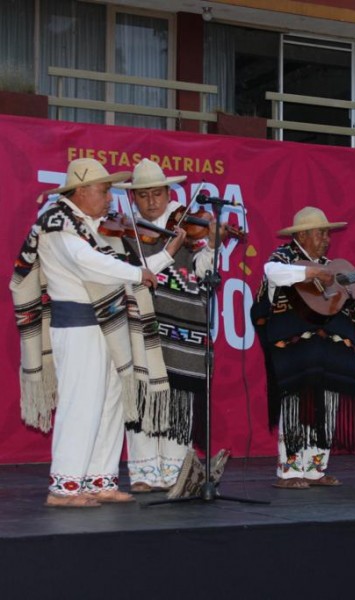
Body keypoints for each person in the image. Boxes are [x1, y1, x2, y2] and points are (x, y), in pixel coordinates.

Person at [9, 158, 172, 508]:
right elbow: (87, 262)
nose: (109, 198)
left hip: (106, 325)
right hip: (78, 326)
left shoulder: (89, 225)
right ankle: (64, 487)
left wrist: (162, 256)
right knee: (81, 403)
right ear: (81, 190)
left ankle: (99, 478)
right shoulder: (56, 223)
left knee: (111, 401)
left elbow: (120, 268)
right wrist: (136, 274)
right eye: (103, 190)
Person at [252, 207, 355, 490]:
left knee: (326, 406)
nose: (326, 238)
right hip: (294, 349)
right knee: (296, 406)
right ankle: (289, 472)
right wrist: (311, 271)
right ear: (301, 235)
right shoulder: (283, 257)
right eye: (320, 232)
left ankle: (314, 469)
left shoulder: (334, 266)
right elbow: (271, 273)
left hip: (328, 349)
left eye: (327, 233)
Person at [114, 158, 217, 493]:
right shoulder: (124, 233)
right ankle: (144, 473)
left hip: (182, 328)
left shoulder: (187, 227)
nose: (151, 202)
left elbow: (204, 270)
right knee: (143, 397)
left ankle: (174, 471)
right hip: (143, 327)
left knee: (179, 399)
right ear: (134, 199)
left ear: (168, 192)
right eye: (143, 196)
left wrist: (213, 243)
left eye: (157, 194)